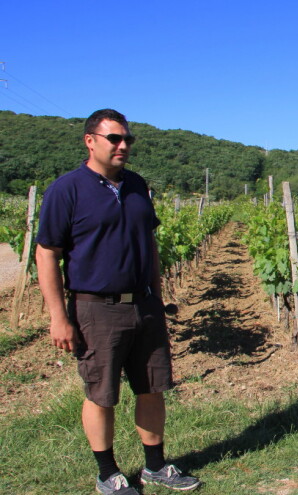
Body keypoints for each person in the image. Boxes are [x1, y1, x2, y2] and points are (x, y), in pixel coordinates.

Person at [35, 109, 200, 494]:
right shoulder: (67, 189)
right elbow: (47, 253)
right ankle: (107, 473)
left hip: (144, 304)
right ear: (90, 141)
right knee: (102, 393)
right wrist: (58, 317)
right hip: (97, 307)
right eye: (114, 138)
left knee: (152, 386)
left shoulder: (137, 185)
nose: (123, 145)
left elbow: (150, 244)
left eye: (127, 139)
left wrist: (157, 297)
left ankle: (155, 466)